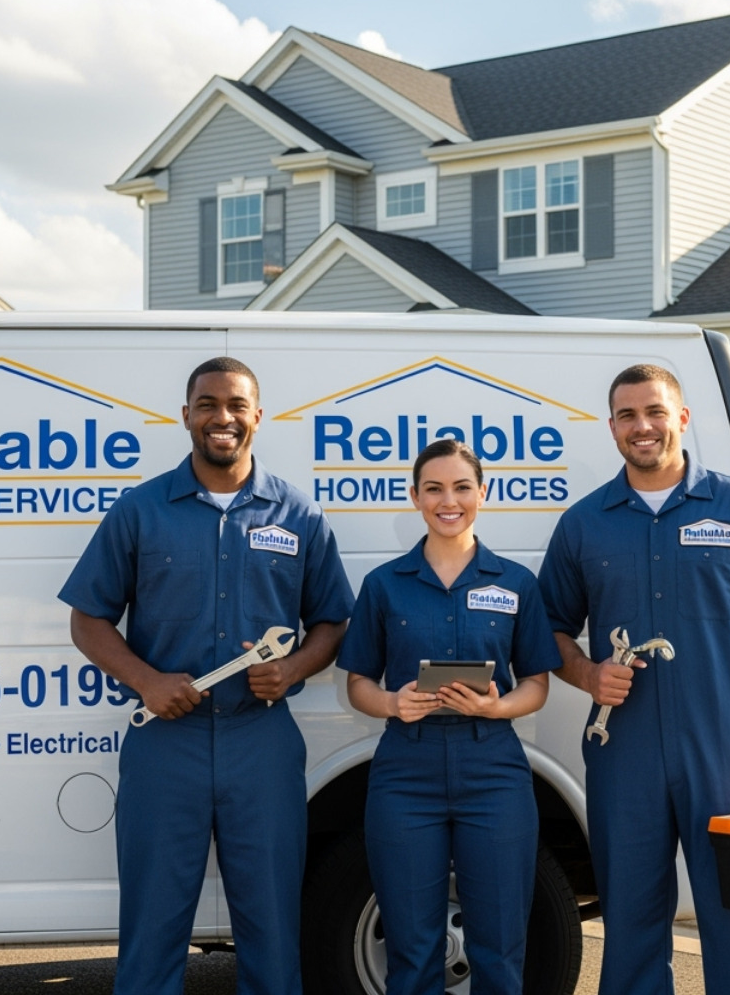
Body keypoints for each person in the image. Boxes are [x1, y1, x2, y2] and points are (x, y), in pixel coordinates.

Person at [58, 356, 354, 995]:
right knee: (152, 930)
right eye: (209, 404)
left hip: (262, 744)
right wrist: (146, 681)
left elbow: (333, 622)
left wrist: (294, 667)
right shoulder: (141, 511)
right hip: (168, 744)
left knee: (273, 928)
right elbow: (89, 621)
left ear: (257, 416)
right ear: (186, 414)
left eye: (237, 405)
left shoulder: (297, 515)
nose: (223, 418)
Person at [537, 364, 730, 995]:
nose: (641, 427)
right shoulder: (584, 523)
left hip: (726, 751)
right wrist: (589, 674)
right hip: (626, 755)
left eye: (654, 412)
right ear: (611, 426)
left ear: (682, 418)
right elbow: (547, 634)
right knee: (633, 918)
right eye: (626, 415)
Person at [336, 438, 563, 995]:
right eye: (433, 488)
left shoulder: (514, 583)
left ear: (482, 493)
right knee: (412, 953)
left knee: (500, 948)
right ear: (414, 496)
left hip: (494, 770)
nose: (448, 500)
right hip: (405, 774)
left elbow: (537, 683)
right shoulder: (385, 585)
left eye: (462, 487)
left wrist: (497, 705)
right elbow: (358, 683)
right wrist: (392, 703)